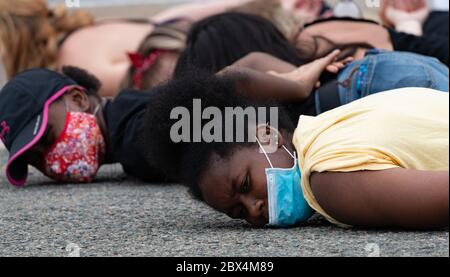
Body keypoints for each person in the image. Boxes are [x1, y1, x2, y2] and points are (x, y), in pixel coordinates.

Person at [141, 71, 449, 229]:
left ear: (267, 136)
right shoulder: (330, 124)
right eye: (238, 213)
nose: (253, 210)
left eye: (245, 186)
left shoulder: (326, 180)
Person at [0, 0, 259, 97]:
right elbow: (167, 19)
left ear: (14, 36)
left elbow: (151, 83)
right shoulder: (89, 29)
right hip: (222, 35)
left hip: (218, 64)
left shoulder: (73, 58)